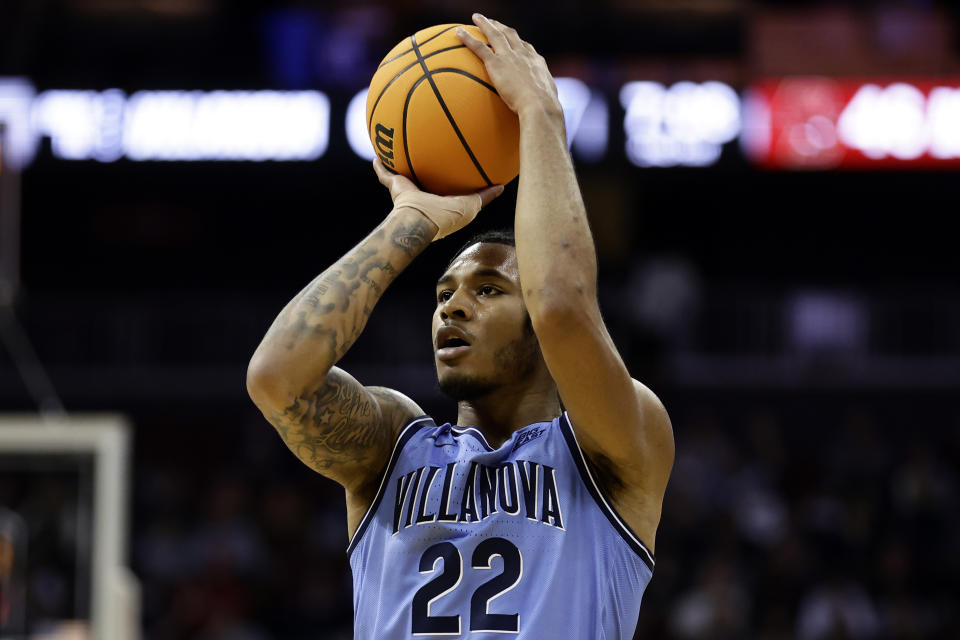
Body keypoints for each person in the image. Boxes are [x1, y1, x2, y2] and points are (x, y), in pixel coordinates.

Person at [247, 14, 674, 639]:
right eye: (443, 293)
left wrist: (540, 115)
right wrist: (412, 220)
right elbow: (274, 377)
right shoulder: (394, 447)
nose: (452, 306)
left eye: (489, 289)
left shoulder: (611, 445)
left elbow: (560, 305)